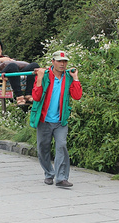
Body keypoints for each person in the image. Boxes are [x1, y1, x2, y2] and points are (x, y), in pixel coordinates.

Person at [30, 50, 83, 188]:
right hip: (44, 119)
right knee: (43, 148)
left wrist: (76, 78)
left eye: (64, 61)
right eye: (59, 61)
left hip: (60, 120)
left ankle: (61, 178)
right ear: (53, 62)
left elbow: (77, 96)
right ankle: (49, 174)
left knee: (62, 145)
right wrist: (40, 79)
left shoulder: (68, 77)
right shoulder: (45, 75)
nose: (62, 64)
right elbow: (36, 97)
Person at [0, 38, 39, 106]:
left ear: (1, 49)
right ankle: (19, 97)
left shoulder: (6, 57)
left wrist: (10, 60)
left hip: (12, 73)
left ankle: (28, 94)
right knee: (12, 66)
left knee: (34, 66)